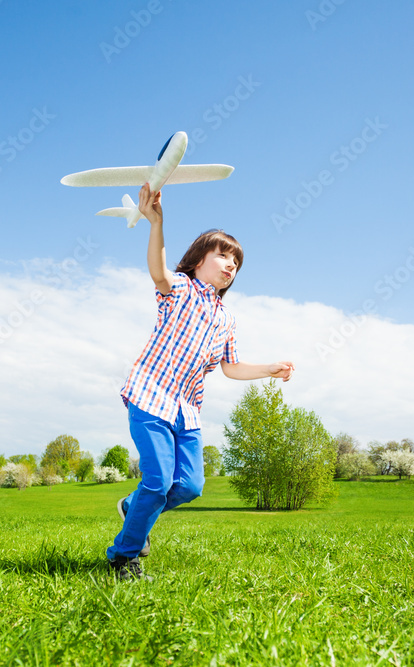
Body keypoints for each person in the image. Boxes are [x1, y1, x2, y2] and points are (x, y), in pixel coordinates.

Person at [107, 183, 295, 581]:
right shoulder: (179, 288)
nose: (231, 266)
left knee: (189, 487)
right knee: (157, 482)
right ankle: (124, 556)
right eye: (223, 256)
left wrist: (270, 368)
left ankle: (132, 505)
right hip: (150, 396)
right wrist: (156, 222)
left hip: (187, 410)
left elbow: (231, 367)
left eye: (236, 263)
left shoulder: (226, 318)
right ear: (198, 259)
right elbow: (157, 270)